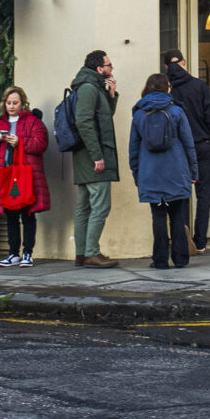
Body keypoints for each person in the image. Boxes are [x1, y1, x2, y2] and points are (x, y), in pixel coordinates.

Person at [129, 73, 198, 269]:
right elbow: (188, 144)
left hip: (150, 172)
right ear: (167, 88)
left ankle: (160, 260)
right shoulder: (176, 111)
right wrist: (194, 171)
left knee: (158, 216)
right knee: (177, 215)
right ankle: (181, 258)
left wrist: (137, 173)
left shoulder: (140, 113)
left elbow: (133, 148)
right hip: (176, 170)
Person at [0, 85, 49, 267]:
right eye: (9, 102)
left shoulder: (33, 121)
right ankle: (13, 253)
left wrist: (21, 141)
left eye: (15, 103)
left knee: (28, 214)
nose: (12, 106)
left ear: (22, 103)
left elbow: (41, 143)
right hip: (6, 174)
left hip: (26, 174)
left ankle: (27, 252)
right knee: (11, 215)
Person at [163, 49, 210, 256]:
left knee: (181, 195)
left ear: (166, 67)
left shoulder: (167, 90)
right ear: (184, 62)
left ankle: (182, 241)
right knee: (204, 196)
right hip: (202, 145)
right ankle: (200, 242)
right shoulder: (199, 86)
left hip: (178, 149)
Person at [69, 50, 120, 268]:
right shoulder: (89, 88)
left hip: (87, 155)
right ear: (99, 69)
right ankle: (91, 252)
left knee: (84, 206)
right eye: (109, 65)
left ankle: (82, 253)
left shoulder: (93, 87)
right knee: (100, 205)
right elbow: (84, 122)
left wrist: (111, 94)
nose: (111, 69)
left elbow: (104, 117)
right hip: (93, 156)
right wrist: (97, 156)